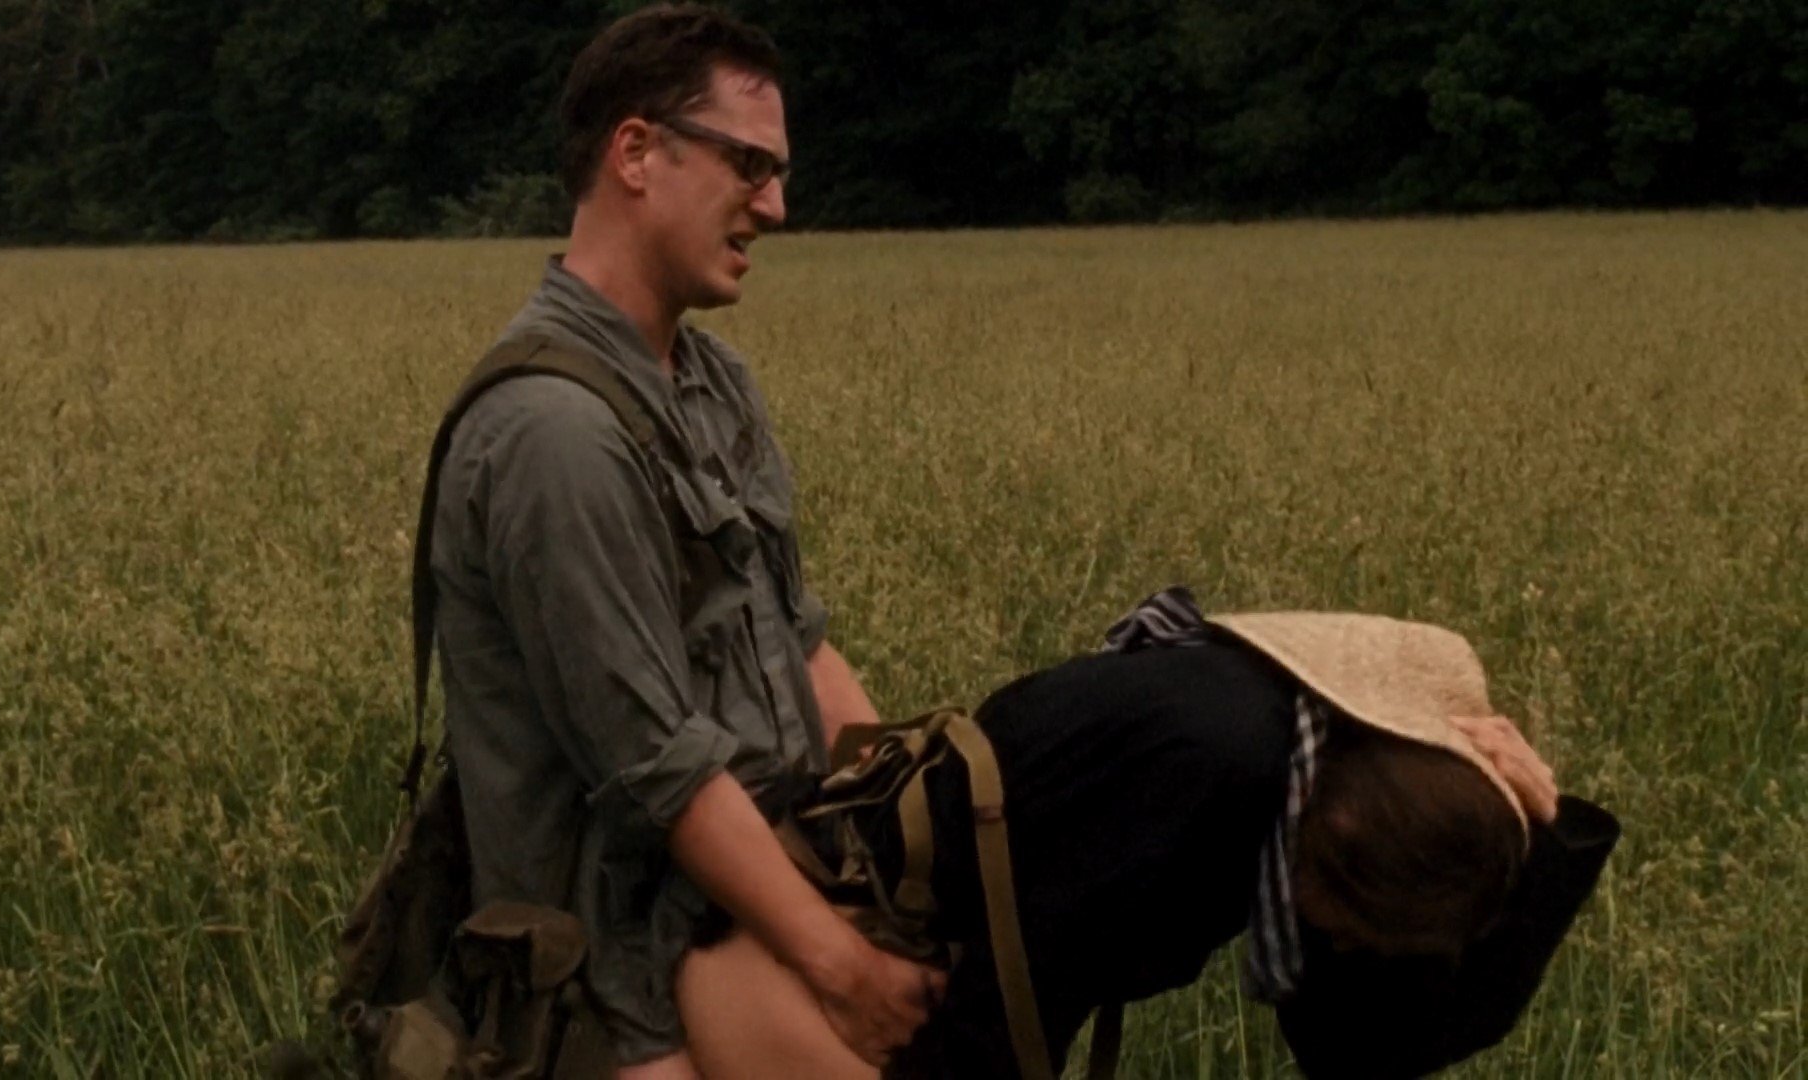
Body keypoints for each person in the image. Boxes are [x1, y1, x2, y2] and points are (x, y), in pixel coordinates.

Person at [427, 6, 939, 1078]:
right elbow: (658, 774)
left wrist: (922, 825)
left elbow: (797, 645)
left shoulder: (712, 383)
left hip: (739, 916)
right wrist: (843, 970)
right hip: (608, 1000)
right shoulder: (552, 432)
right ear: (636, 153)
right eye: (749, 165)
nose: (776, 206)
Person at [674, 594, 1621, 1078]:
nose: (1343, 945)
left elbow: (1361, 1049)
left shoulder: (1296, 765)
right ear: (1346, 864)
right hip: (800, 973)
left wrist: (1541, 840)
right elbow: (1006, 1005)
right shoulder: (1208, 769)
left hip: (889, 969)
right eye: (1363, 929)